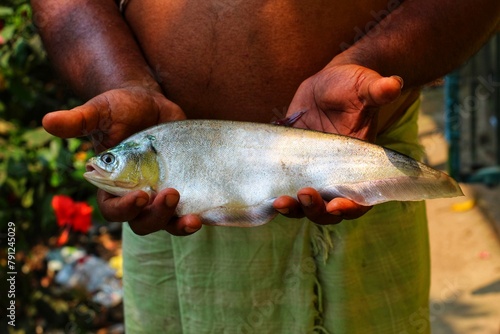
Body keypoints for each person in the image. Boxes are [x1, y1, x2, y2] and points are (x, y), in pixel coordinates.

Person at [32, 0, 499, 332]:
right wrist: (121, 80)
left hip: (359, 170)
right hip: (169, 234)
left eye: (112, 161)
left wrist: (373, 58)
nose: (103, 166)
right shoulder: (148, 166)